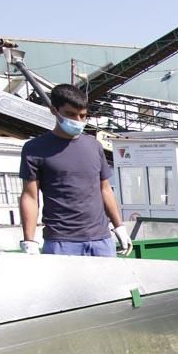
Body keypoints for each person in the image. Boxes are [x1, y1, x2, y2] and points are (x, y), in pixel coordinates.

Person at [18, 84, 132, 257]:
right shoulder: (35, 149)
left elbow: (105, 189)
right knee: (65, 285)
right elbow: (30, 196)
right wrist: (29, 240)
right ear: (54, 110)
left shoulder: (94, 146)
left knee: (110, 284)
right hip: (61, 242)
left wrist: (119, 227)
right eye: (71, 114)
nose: (78, 121)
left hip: (101, 241)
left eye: (83, 116)